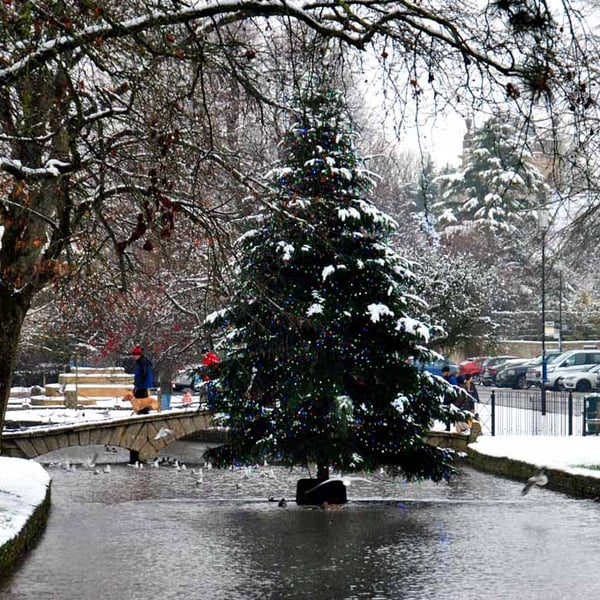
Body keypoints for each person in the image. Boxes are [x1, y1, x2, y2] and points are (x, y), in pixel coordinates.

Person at [131, 346, 154, 414]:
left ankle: (143, 412)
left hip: (142, 384)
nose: (133, 357)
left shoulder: (142, 361)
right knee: (141, 398)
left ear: (138, 355)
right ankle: (142, 411)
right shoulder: (141, 361)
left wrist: (138, 382)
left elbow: (143, 373)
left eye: (134, 355)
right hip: (142, 383)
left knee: (140, 398)